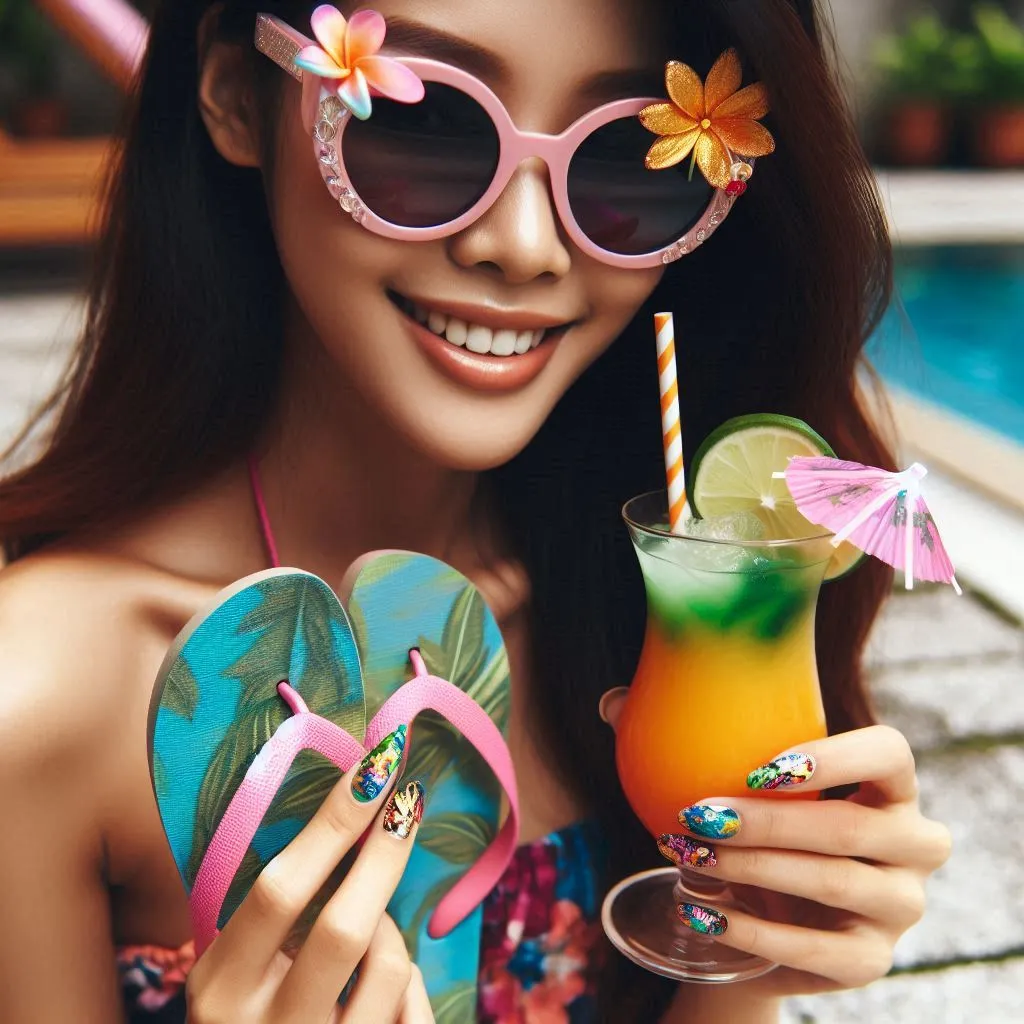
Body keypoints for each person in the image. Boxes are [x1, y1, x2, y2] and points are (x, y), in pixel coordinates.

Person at [0, 0, 951, 1021]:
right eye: (428, 123)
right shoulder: (43, 703)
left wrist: (761, 949)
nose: (525, 245)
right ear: (238, 97)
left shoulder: (651, 601)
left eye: (633, 152)